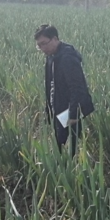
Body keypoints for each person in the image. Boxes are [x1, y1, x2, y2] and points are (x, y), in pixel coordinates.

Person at [34, 24, 94, 154]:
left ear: (55, 39)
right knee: (59, 144)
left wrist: (73, 115)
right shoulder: (51, 57)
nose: (43, 48)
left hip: (69, 111)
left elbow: (77, 88)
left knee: (69, 148)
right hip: (58, 108)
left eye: (44, 43)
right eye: (39, 46)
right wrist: (49, 110)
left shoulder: (67, 58)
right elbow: (50, 85)